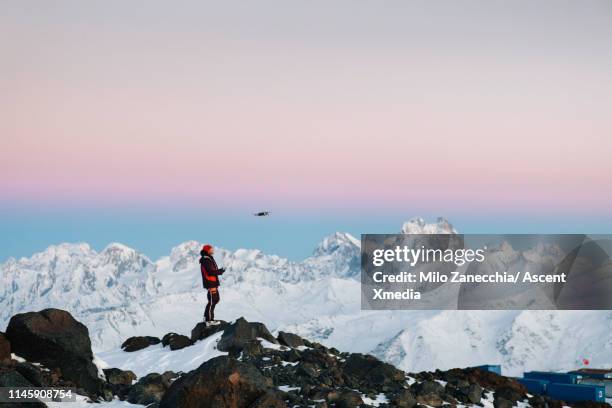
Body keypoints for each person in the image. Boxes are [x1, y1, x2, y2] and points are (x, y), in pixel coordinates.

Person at [199, 244, 225, 326]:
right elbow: (210, 271)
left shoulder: (208, 258)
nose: (213, 250)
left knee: (215, 299)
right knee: (212, 301)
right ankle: (209, 320)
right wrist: (219, 271)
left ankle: (206, 318)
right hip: (210, 283)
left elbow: (212, 270)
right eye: (211, 249)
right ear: (207, 250)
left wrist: (219, 271)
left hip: (213, 282)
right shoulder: (206, 260)